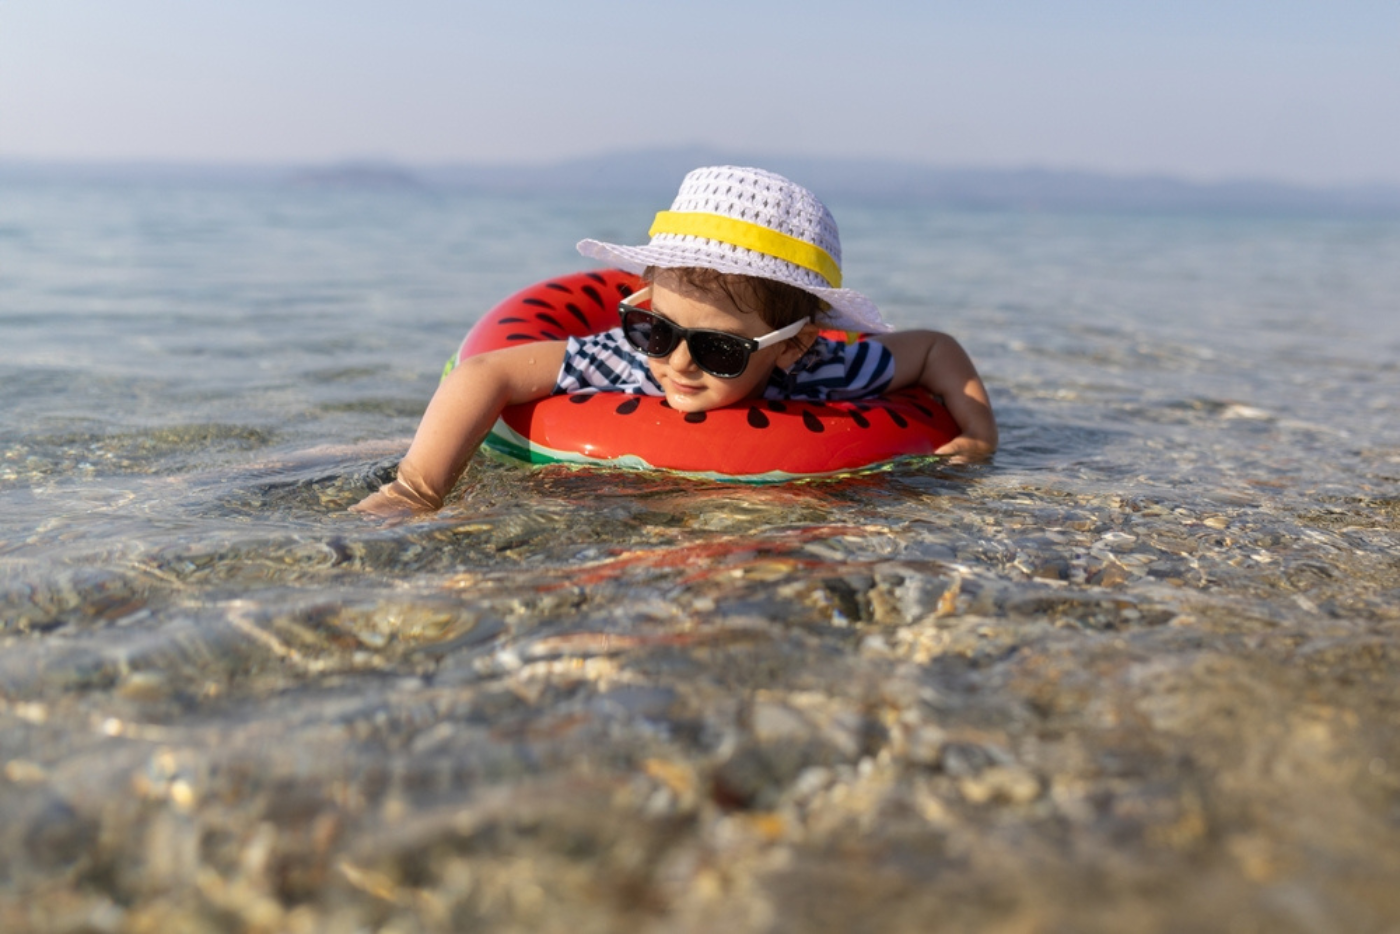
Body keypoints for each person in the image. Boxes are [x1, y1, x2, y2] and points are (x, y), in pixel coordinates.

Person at [353, 165, 997, 518]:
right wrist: (418, 488)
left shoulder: (826, 369)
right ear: (639, 309)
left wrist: (977, 433)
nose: (679, 361)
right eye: (657, 329)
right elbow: (482, 374)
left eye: (721, 350)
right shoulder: (621, 357)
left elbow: (935, 349)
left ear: (793, 347)